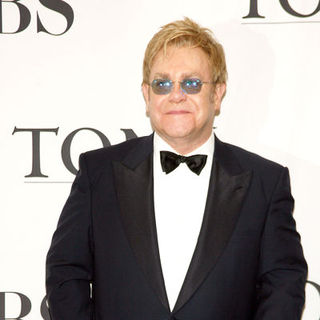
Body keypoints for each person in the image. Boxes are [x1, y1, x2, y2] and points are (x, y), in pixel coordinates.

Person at [46, 17, 307, 320]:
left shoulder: (265, 182)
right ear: (147, 94)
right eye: (162, 84)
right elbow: (65, 272)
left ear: (218, 93)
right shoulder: (98, 173)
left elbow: (284, 281)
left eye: (192, 83)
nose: (176, 94)